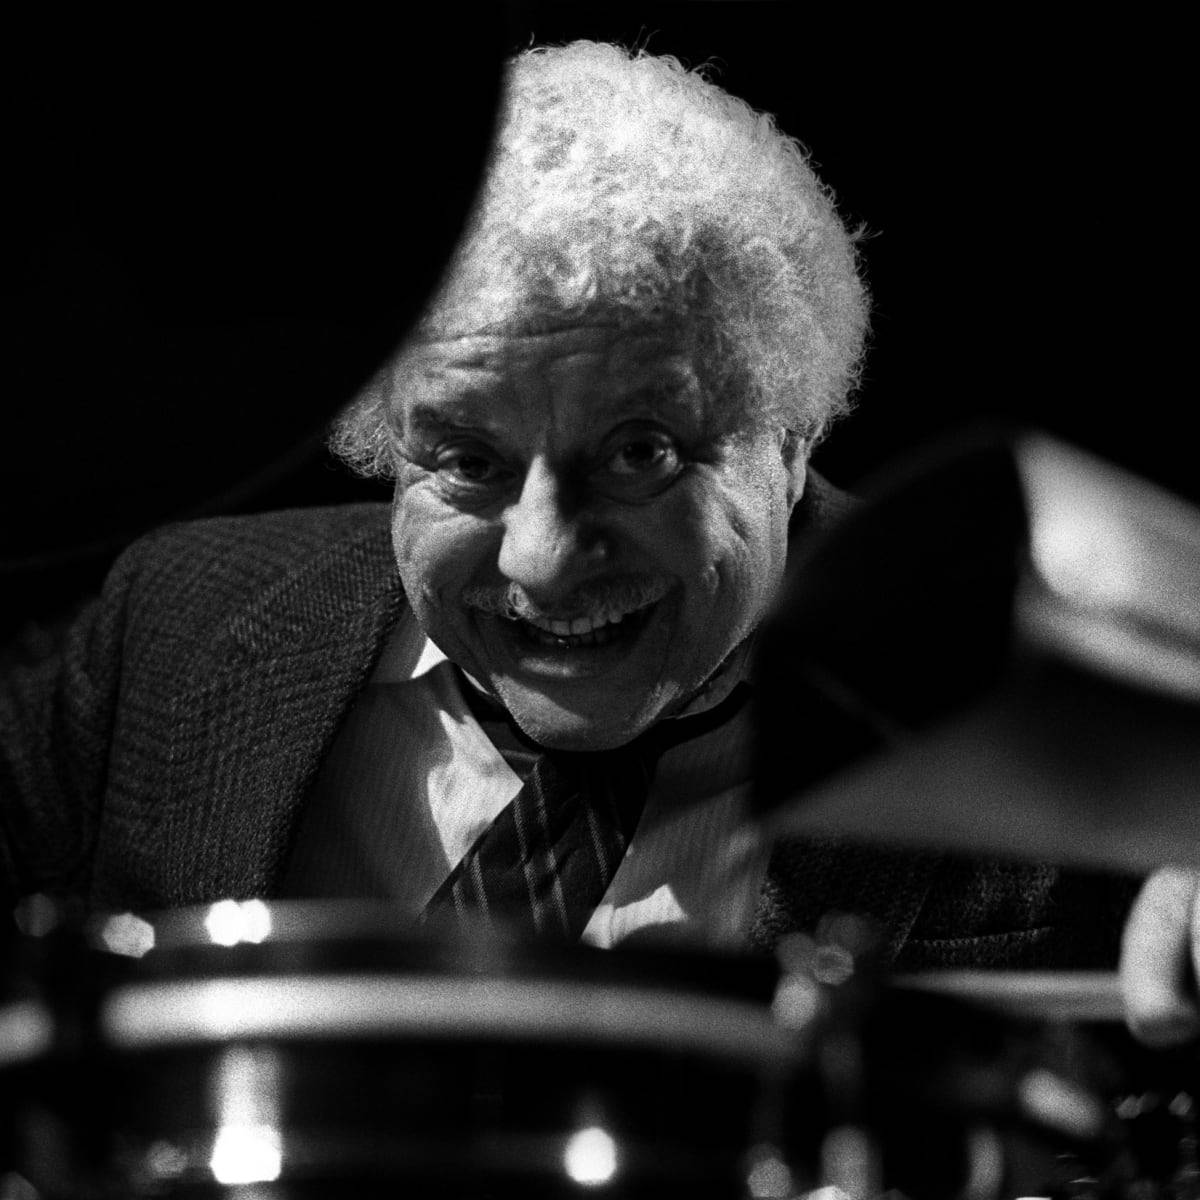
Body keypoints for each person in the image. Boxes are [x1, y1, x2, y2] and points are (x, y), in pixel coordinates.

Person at [0, 42, 1162, 986]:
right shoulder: (175, 625)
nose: (547, 562)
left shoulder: (1049, 700)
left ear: (796, 430)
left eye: (639, 454)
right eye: (468, 461)